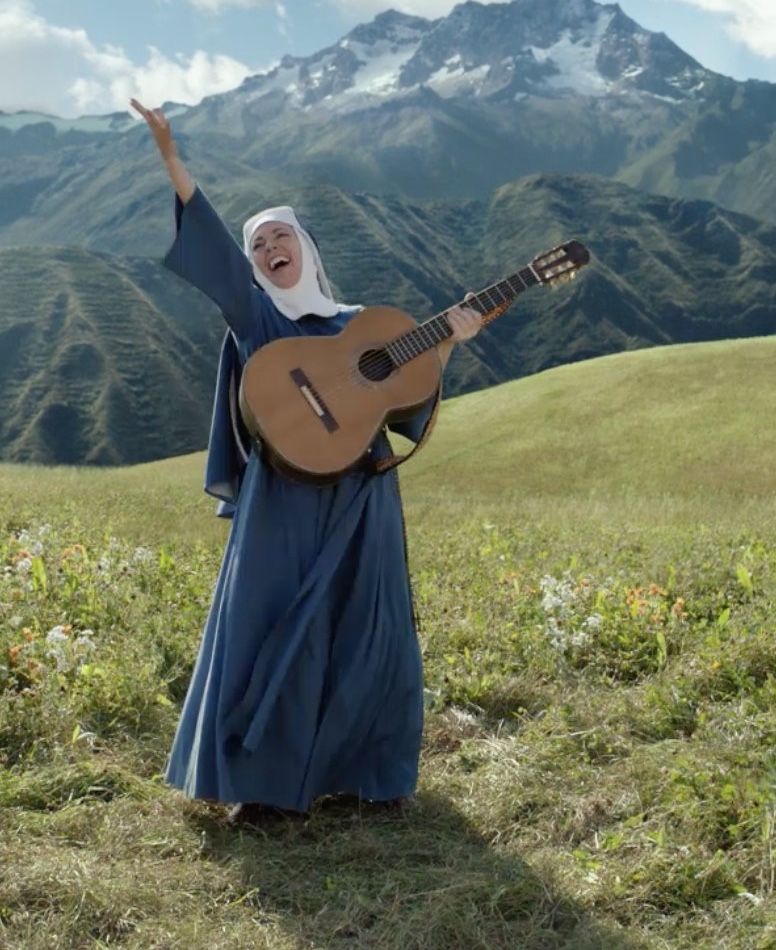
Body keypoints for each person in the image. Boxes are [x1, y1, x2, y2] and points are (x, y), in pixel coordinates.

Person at [130, 98, 481, 825]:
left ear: (308, 249)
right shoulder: (258, 321)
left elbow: (406, 400)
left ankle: (367, 776)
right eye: (260, 246)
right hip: (280, 501)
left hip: (361, 497)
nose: (267, 251)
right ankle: (265, 788)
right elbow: (216, 255)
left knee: (366, 625)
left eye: (280, 237)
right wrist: (170, 154)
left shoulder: (362, 329)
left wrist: (450, 339)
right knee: (267, 624)